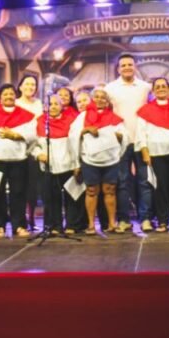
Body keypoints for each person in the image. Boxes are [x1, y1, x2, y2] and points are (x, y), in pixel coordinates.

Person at [0, 84, 37, 238]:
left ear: (15, 96)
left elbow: (33, 135)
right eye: (5, 94)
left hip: (18, 159)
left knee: (18, 193)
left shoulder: (26, 115)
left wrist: (16, 135)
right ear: (0, 97)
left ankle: (19, 226)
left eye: (11, 94)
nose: (8, 96)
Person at [136, 78, 169, 233]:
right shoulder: (146, 110)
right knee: (160, 189)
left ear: (168, 89)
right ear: (153, 91)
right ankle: (162, 222)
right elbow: (141, 132)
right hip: (156, 153)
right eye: (157, 87)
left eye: (163, 86)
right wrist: (144, 151)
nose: (160, 89)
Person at [106, 53, 153, 231]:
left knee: (144, 182)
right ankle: (124, 219)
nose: (127, 67)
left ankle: (146, 219)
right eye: (123, 65)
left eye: (130, 64)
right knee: (122, 182)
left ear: (135, 66)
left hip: (142, 141)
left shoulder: (145, 87)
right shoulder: (110, 88)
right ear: (118, 69)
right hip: (120, 143)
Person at [71, 87, 126, 234]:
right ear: (92, 99)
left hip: (110, 160)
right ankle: (91, 225)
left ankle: (112, 223)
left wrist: (119, 136)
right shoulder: (83, 116)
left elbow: (124, 136)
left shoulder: (114, 117)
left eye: (103, 97)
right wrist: (87, 129)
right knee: (91, 191)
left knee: (110, 190)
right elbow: (73, 135)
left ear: (107, 102)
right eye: (96, 97)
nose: (100, 100)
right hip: (90, 160)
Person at [33, 93, 79, 234]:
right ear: (45, 106)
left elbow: (76, 144)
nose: (53, 107)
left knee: (72, 197)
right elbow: (32, 144)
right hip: (48, 167)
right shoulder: (39, 121)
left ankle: (72, 225)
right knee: (51, 198)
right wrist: (38, 154)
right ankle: (54, 226)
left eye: (56, 104)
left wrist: (77, 164)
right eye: (50, 104)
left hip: (68, 164)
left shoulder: (71, 121)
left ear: (61, 106)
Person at [15, 74, 44, 231]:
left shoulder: (39, 104)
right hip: (17, 149)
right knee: (19, 187)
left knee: (33, 187)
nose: (30, 87)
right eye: (27, 84)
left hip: (35, 149)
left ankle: (31, 218)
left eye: (33, 84)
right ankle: (20, 220)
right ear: (20, 86)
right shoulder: (15, 103)